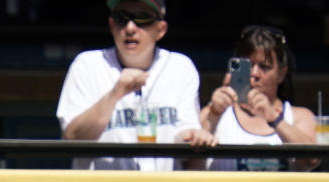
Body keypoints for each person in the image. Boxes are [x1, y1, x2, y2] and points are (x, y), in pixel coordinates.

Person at [56, 0, 216, 170]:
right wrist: (115, 94)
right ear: (111, 25)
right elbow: (72, 138)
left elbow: (183, 133)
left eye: (142, 18)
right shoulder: (87, 65)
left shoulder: (180, 67)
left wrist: (193, 137)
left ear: (160, 30)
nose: (130, 28)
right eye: (122, 18)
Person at [200, 25, 319, 171]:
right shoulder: (217, 112)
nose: (254, 73)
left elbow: (312, 160)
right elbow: (188, 157)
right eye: (248, 65)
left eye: (264, 67)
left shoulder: (299, 117)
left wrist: (275, 119)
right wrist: (214, 113)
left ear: (281, 74)